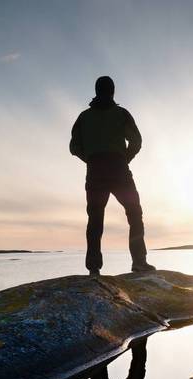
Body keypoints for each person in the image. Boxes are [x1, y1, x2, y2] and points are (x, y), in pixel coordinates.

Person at [70, 76, 156, 276]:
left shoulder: (84, 117)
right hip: (118, 169)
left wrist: (90, 158)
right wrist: (124, 158)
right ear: (113, 91)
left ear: (96, 90)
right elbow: (137, 141)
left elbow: (73, 146)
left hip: (95, 171)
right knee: (134, 213)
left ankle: (93, 268)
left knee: (95, 219)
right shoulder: (121, 114)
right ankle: (139, 262)